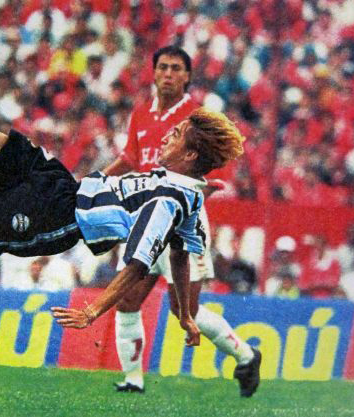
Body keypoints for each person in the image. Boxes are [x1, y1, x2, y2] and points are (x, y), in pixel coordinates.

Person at [0, 15, 244, 397]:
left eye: (176, 135)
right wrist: (185, 314)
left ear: (190, 156)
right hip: (57, 182)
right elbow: (180, 253)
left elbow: (138, 265)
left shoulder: (169, 200)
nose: (167, 138)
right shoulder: (186, 194)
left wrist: (92, 312)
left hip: (57, 218)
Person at [101, 45, 260, 396]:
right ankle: (132, 380)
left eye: (175, 68)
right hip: (145, 219)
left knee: (184, 310)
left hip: (181, 221)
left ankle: (247, 356)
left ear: (187, 76)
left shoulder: (198, 116)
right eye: (162, 67)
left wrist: (204, 190)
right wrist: (95, 180)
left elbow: (217, 163)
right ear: (154, 72)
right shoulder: (141, 113)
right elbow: (130, 158)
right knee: (126, 300)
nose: (168, 74)